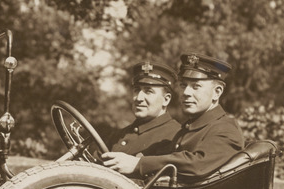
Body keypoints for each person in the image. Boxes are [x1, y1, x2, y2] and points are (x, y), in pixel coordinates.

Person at [103, 52, 244, 179]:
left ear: (217, 92)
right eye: (183, 85)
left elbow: (197, 164)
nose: (186, 93)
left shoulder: (225, 128)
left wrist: (139, 164)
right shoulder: (189, 129)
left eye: (196, 86)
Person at [107, 60, 182, 156]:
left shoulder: (176, 136)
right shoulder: (118, 135)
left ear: (166, 99)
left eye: (148, 91)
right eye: (137, 90)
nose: (139, 98)